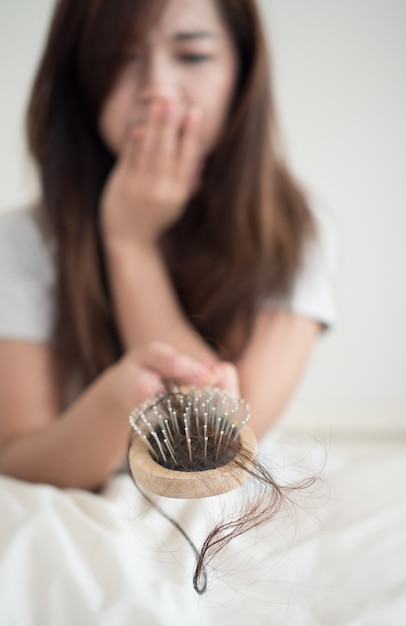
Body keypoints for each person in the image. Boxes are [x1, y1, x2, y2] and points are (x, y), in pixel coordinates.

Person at [0, 0, 337, 491]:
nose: (156, 89)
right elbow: (17, 457)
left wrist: (131, 243)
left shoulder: (295, 230)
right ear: (81, 81)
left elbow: (220, 445)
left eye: (193, 56)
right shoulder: (24, 240)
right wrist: (118, 398)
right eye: (120, 57)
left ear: (242, 74)